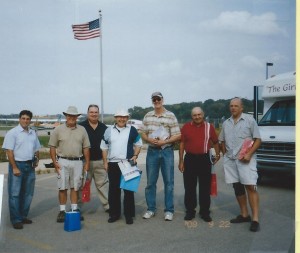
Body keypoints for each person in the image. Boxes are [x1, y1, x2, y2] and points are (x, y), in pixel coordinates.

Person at [218, 97, 261, 232]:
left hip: (246, 159)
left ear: (242, 107)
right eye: (231, 106)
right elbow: (221, 140)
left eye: (236, 106)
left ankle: (255, 219)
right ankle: (244, 214)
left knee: (250, 187)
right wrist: (225, 154)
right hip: (231, 160)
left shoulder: (249, 120)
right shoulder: (226, 123)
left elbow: (258, 140)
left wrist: (249, 154)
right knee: (237, 187)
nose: (233, 108)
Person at [141, 92, 181, 221]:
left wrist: (165, 142)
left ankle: (169, 210)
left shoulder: (170, 116)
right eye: (154, 99)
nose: (156, 101)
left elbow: (177, 135)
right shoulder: (148, 116)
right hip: (152, 151)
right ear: (152, 101)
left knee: (169, 182)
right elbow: (143, 133)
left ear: (163, 100)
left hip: (166, 151)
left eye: (158, 99)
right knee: (150, 183)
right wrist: (149, 140)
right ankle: (150, 209)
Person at [48, 106, 90, 223]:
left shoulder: (82, 130)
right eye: (69, 115)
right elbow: (52, 147)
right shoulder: (58, 130)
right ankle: (62, 211)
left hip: (78, 161)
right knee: (62, 187)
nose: (71, 117)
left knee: (75, 187)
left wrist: (86, 163)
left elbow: (86, 148)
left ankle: (74, 209)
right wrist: (55, 162)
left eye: (74, 116)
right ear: (66, 116)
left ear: (77, 117)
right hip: (62, 161)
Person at [100, 109, 142, 225]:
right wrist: (105, 162)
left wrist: (135, 155)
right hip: (113, 164)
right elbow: (104, 147)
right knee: (114, 191)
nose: (122, 119)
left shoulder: (132, 130)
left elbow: (138, 144)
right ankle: (114, 214)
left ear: (127, 118)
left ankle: (129, 215)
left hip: (128, 163)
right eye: (119, 117)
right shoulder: (108, 130)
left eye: (124, 117)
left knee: (128, 191)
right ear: (115, 117)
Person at [178, 107, 220, 222]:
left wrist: (218, 154)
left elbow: (216, 142)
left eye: (199, 114)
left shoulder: (209, 127)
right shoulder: (186, 127)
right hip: (190, 159)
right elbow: (182, 144)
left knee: (205, 187)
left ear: (203, 114)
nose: (197, 117)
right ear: (192, 116)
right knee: (189, 187)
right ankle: (190, 211)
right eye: (195, 115)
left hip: (204, 159)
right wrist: (181, 160)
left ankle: (205, 212)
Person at [2, 110, 41, 229]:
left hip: (30, 166)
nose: (25, 120)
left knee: (28, 193)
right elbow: (9, 151)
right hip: (17, 164)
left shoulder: (33, 133)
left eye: (27, 119)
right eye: (23, 118)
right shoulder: (12, 133)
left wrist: (37, 160)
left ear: (30, 120)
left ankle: (23, 216)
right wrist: (14, 167)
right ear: (19, 119)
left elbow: (36, 148)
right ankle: (16, 219)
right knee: (15, 194)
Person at [79, 104, 109, 212]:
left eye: (96, 112)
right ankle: (77, 207)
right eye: (91, 112)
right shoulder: (81, 127)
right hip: (84, 163)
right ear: (88, 113)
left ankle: (107, 206)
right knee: (83, 185)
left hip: (100, 161)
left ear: (98, 113)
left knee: (103, 186)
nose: (94, 114)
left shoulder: (104, 128)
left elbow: (108, 144)